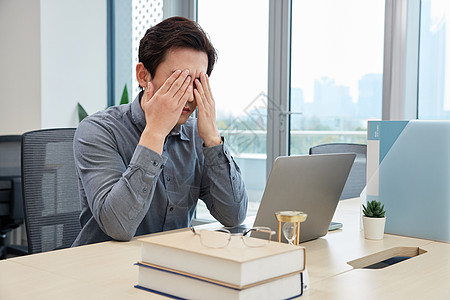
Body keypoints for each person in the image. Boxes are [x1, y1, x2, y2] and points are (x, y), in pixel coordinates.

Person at [72, 17, 248, 246]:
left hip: (169, 266)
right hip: (102, 268)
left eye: (196, 83)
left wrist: (213, 139)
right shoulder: (98, 131)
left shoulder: (197, 135)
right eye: (178, 80)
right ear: (143, 75)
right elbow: (118, 227)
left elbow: (233, 216)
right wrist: (155, 132)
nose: (188, 95)